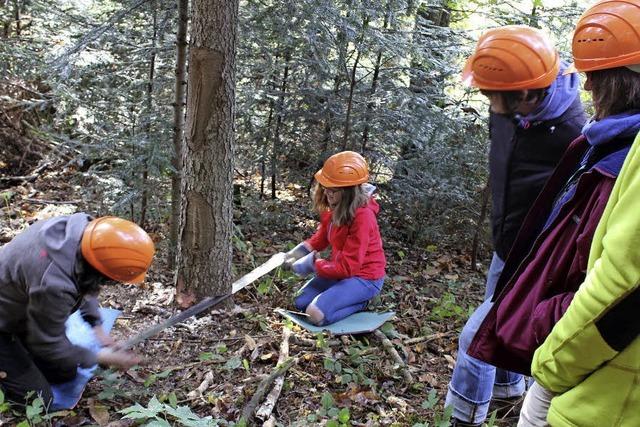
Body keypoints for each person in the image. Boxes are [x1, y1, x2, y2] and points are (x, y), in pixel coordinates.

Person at [445, 25, 587, 426]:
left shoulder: (574, 136)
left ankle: (462, 418)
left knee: (475, 339)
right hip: (506, 246)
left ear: (525, 94)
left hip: (536, 260)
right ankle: (508, 395)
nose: (489, 103)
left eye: (493, 96)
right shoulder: (510, 109)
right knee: (499, 330)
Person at [521, 1, 640, 425]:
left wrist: (551, 365)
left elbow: (619, 282)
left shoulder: (619, 154)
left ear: (622, 82)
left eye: (596, 76)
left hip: (605, 382)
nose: (587, 89)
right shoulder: (603, 142)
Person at [0, 213, 155, 406]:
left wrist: (97, 327)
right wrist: (100, 356)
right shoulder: (54, 285)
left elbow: (84, 281)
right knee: (40, 402)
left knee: (64, 372)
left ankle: (20, 352)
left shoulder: (83, 232)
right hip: (5, 324)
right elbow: (47, 344)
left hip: (24, 310)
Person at [283, 151, 386, 326]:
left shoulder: (363, 217)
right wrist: (295, 254)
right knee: (299, 302)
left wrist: (314, 264)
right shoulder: (334, 207)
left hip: (364, 277)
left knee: (314, 314)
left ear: (349, 191)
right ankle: (338, 296)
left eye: (334, 190)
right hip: (340, 270)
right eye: (326, 187)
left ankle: (361, 302)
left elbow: (348, 267)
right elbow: (321, 239)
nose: (328, 194)